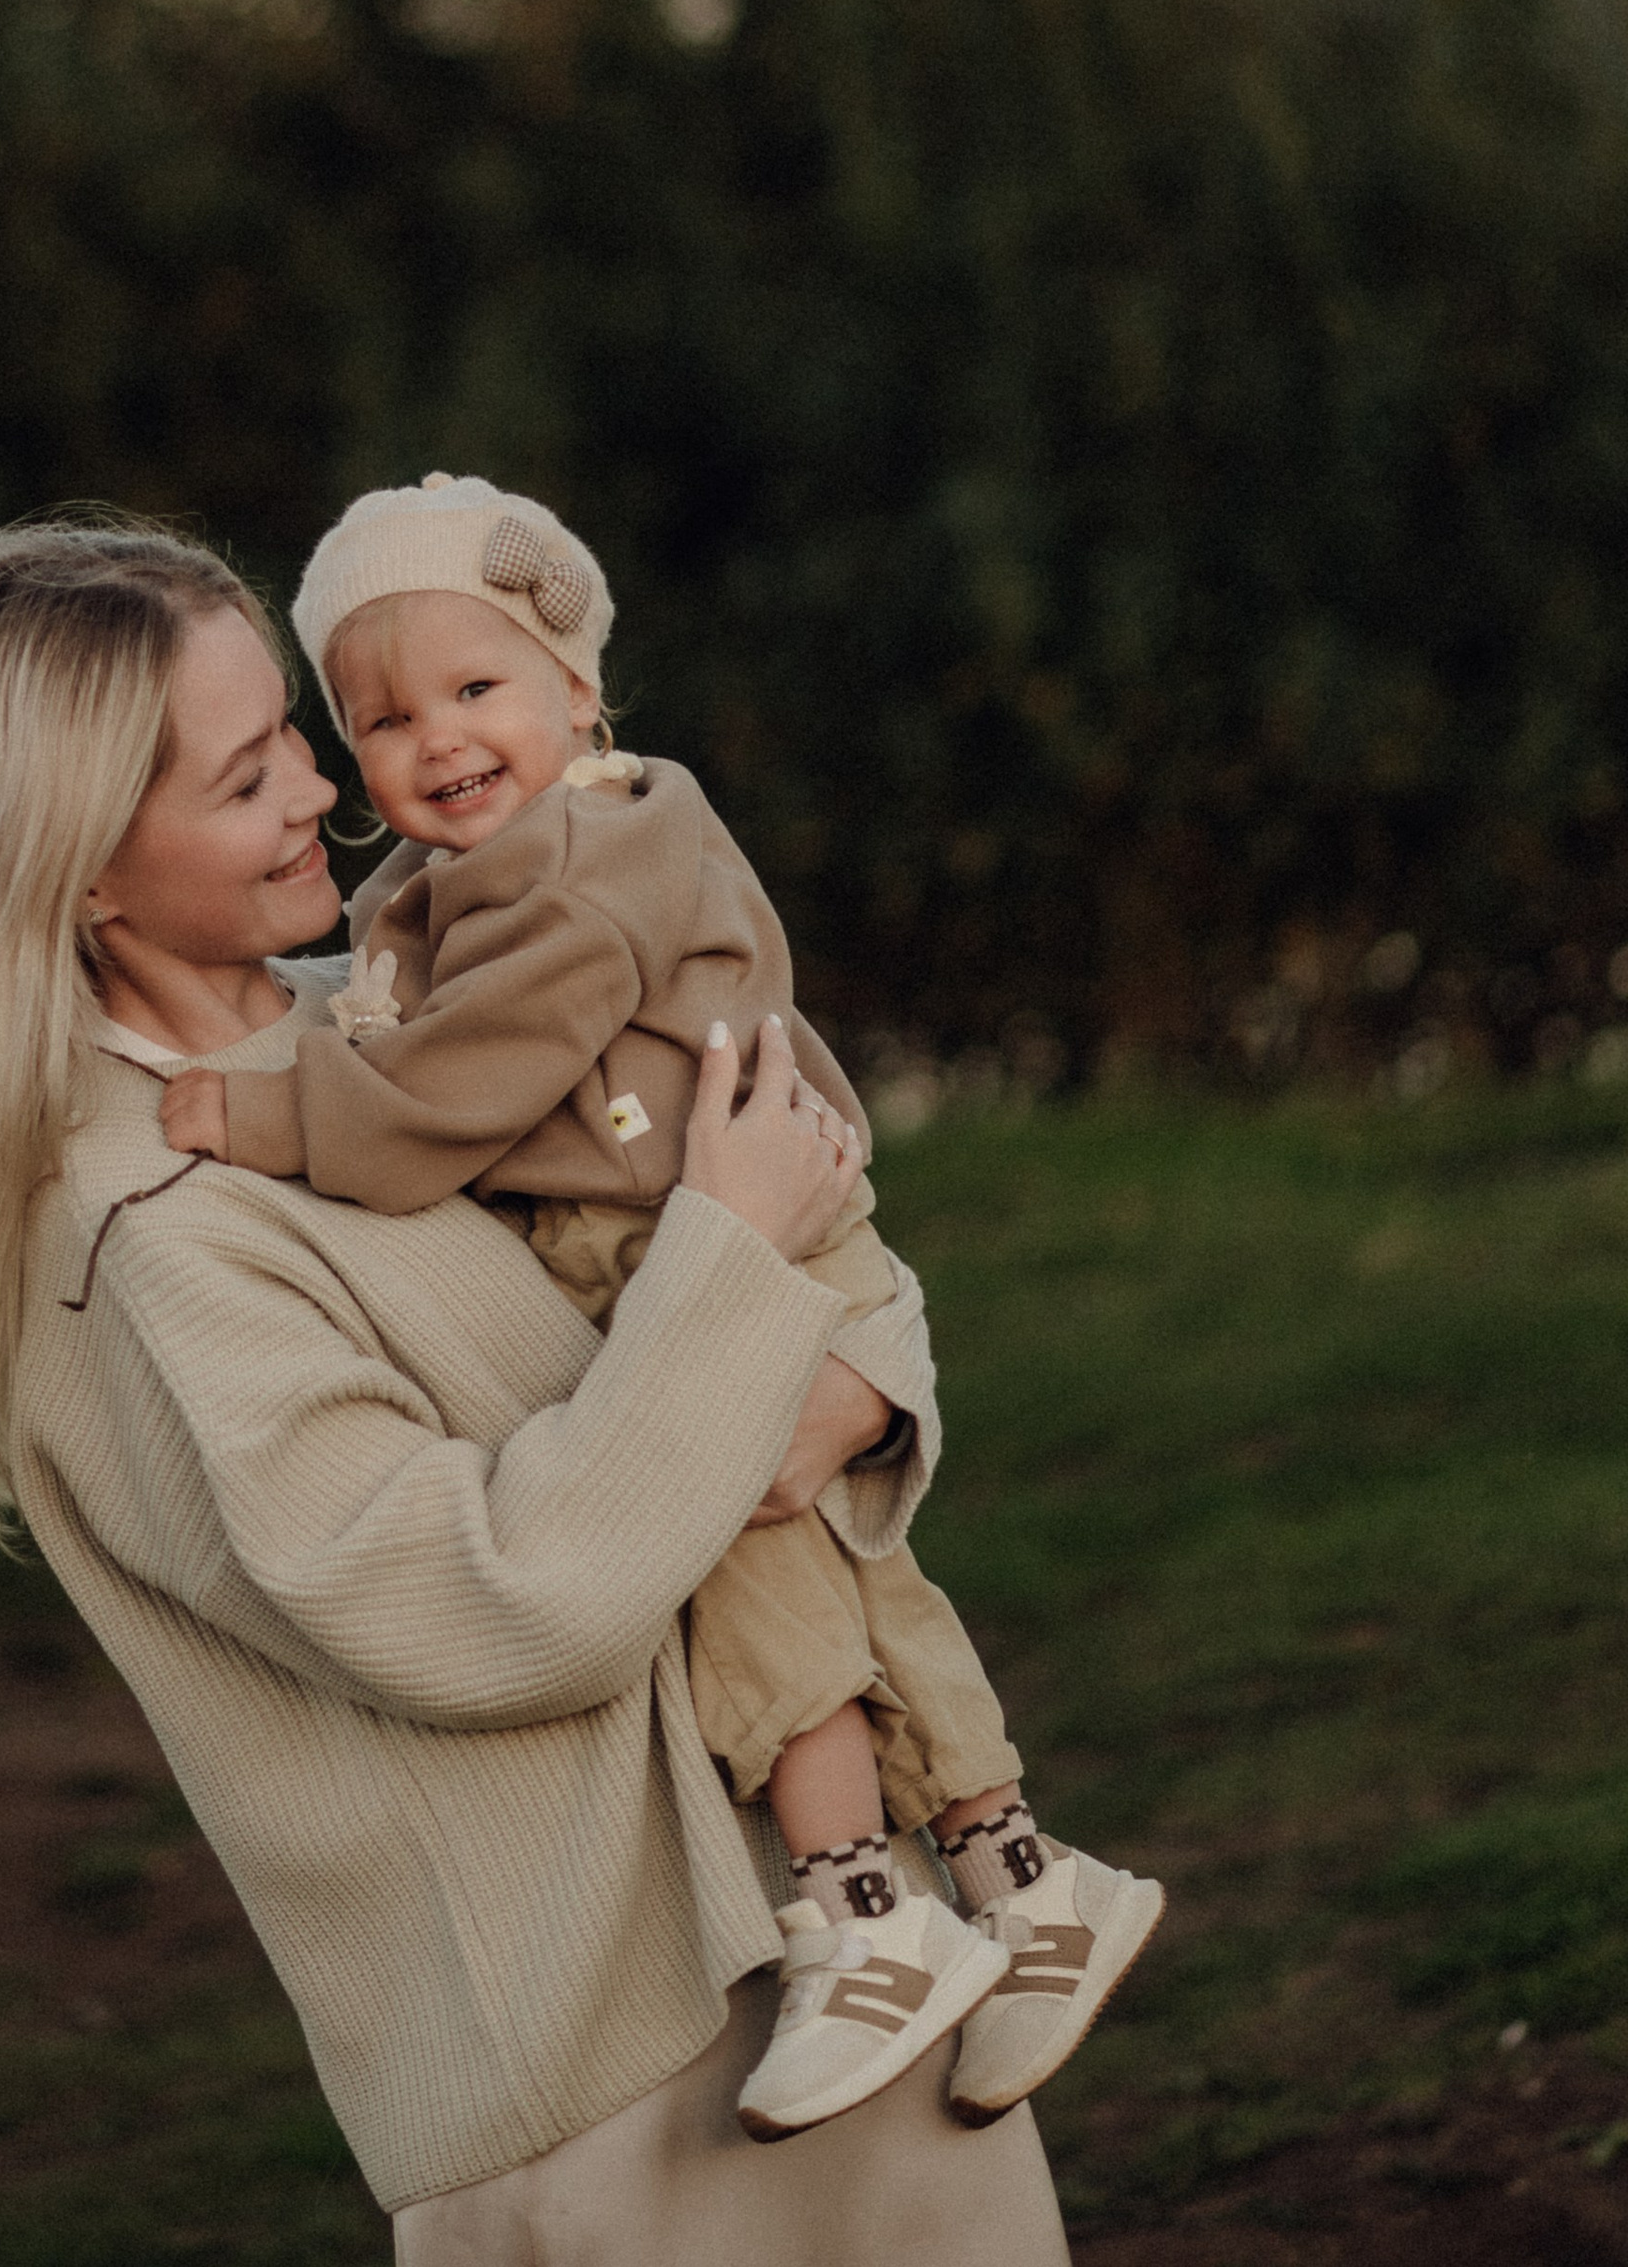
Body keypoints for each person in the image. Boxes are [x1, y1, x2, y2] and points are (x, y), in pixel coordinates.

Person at [0, 512, 1068, 2258]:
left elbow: (824, 1229)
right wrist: (742, 1306)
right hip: (617, 2087)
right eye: (243, 780)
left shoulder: (392, 1031)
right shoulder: (138, 1241)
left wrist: (841, 1393)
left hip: (846, 1938)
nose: (317, 790)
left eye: (294, 732)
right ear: (84, 872)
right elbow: (491, 1603)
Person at [163, 473, 1161, 2142]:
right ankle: (1024, 1876)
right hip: (724, 1245)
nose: (435, 739)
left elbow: (447, 1099)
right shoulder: (453, 887)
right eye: (379, 714)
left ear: (578, 690)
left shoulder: (586, 861)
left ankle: (862, 1912)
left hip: (720, 1251)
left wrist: (255, 1116)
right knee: (854, 1568)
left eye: (476, 688)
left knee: (747, 1573)